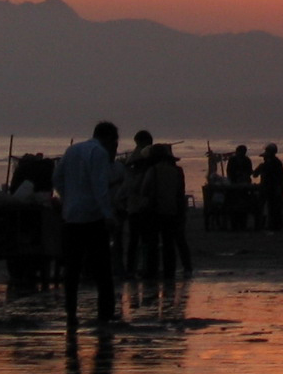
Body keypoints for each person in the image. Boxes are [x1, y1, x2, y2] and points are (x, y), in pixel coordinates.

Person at [55, 123, 119, 326]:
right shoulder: (99, 153)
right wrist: (108, 214)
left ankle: (71, 313)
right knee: (102, 270)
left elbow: (57, 178)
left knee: (72, 270)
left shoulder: (72, 150)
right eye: (115, 143)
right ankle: (105, 314)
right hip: (92, 218)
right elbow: (100, 187)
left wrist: (68, 199)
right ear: (109, 139)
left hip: (71, 218)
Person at [147, 142, 192, 281]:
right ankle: (175, 270)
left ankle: (153, 272)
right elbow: (180, 191)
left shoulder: (153, 170)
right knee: (173, 242)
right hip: (175, 209)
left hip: (157, 210)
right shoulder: (177, 171)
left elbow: (145, 190)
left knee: (154, 243)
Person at [119, 130, 155, 279]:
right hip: (139, 206)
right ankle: (138, 268)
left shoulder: (139, 158)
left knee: (139, 239)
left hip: (138, 206)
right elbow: (131, 186)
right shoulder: (140, 159)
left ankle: (137, 268)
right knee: (141, 239)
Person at [257, 142, 283, 231]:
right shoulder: (272, 163)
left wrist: (279, 188)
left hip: (272, 188)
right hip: (269, 188)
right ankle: (272, 225)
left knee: (273, 207)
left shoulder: (274, 163)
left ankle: (274, 225)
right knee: (271, 207)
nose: (264, 159)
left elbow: (279, 178)